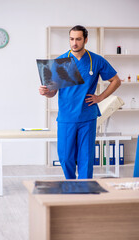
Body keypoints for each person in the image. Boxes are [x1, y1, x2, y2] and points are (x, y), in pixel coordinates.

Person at [39, 25, 121, 179]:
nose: (74, 43)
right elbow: (53, 92)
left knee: (86, 158)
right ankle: (71, 183)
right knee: (65, 157)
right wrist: (46, 93)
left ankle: (84, 190)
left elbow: (115, 81)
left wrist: (100, 97)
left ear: (86, 40)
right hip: (66, 117)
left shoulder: (96, 60)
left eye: (78, 39)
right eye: (71, 39)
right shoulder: (60, 62)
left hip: (87, 117)